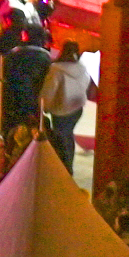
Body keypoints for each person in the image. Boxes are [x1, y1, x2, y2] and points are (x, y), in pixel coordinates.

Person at [41, 41, 92, 172]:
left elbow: (49, 91)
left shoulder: (56, 69)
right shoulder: (81, 68)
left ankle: (65, 168)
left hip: (61, 110)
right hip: (76, 108)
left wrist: (44, 106)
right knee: (67, 136)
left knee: (61, 139)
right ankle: (68, 165)